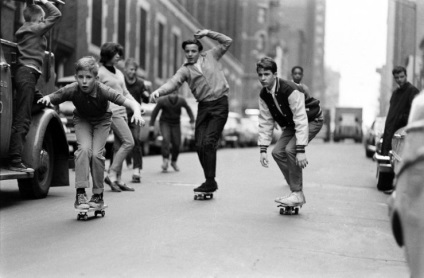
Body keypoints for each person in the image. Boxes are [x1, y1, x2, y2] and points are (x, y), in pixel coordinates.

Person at [37, 57, 145, 209]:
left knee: (96, 154)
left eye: (88, 77)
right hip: (83, 120)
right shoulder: (73, 88)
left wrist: (137, 113)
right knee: (83, 150)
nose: (84, 81)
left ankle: (98, 195)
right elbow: (55, 96)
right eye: (80, 77)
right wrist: (46, 99)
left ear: (96, 78)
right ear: (76, 78)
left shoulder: (103, 90)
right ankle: (80, 194)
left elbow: (129, 101)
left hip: (102, 121)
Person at [150, 29, 232, 193]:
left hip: (220, 104)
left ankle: (210, 181)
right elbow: (173, 83)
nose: (190, 54)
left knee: (209, 142)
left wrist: (208, 33)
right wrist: (158, 92)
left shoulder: (211, 55)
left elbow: (227, 41)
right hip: (203, 106)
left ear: (199, 51)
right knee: (199, 144)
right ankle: (209, 180)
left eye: (193, 51)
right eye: (187, 51)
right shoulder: (185, 70)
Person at [256, 57, 323, 207]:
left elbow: (301, 118)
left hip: (312, 120)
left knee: (290, 149)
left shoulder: (289, 89)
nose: (263, 78)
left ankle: (297, 193)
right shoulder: (264, 94)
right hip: (292, 124)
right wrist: (263, 149)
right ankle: (295, 190)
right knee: (277, 152)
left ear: (275, 74)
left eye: (266, 74)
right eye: (260, 75)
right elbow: (266, 121)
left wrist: (301, 150)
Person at [7, 0, 62, 172]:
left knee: (45, 103)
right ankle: (15, 159)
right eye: (43, 19)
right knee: (23, 118)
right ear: (38, 20)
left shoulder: (27, 29)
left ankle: (17, 117)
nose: (44, 22)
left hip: (26, 75)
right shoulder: (36, 29)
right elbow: (57, 15)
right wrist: (45, 1)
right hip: (28, 75)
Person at [98, 42, 139, 192]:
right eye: (115, 53)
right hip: (112, 111)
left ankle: (118, 179)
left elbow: (125, 92)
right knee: (129, 142)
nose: (118, 56)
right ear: (108, 54)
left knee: (118, 146)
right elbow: (95, 91)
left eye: (119, 53)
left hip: (123, 111)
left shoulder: (119, 72)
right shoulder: (100, 72)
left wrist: (136, 106)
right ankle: (111, 173)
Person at [150, 91, 195, 171]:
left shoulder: (181, 100)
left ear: (177, 94)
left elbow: (188, 109)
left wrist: (192, 120)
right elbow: (155, 112)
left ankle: (173, 161)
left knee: (177, 143)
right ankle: (165, 160)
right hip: (165, 122)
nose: (172, 96)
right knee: (166, 139)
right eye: (171, 94)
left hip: (176, 123)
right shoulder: (162, 100)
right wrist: (151, 125)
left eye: (174, 93)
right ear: (168, 94)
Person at [380, 66, 419, 156]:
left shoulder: (412, 91)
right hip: (391, 134)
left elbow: (415, 114)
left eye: (402, 77)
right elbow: (391, 115)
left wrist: (402, 119)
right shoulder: (395, 93)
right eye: (397, 77)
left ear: (406, 76)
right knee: (387, 163)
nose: (399, 79)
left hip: (402, 135)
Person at [123, 58, 150, 182]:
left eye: (135, 70)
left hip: (135, 116)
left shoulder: (140, 83)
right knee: (120, 142)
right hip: (122, 115)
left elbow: (146, 100)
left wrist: (146, 96)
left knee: (136, 140)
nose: (133, 72)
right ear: (125, 69)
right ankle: (114, 171)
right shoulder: (121, 81)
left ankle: (137, 170)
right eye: (131, 69)